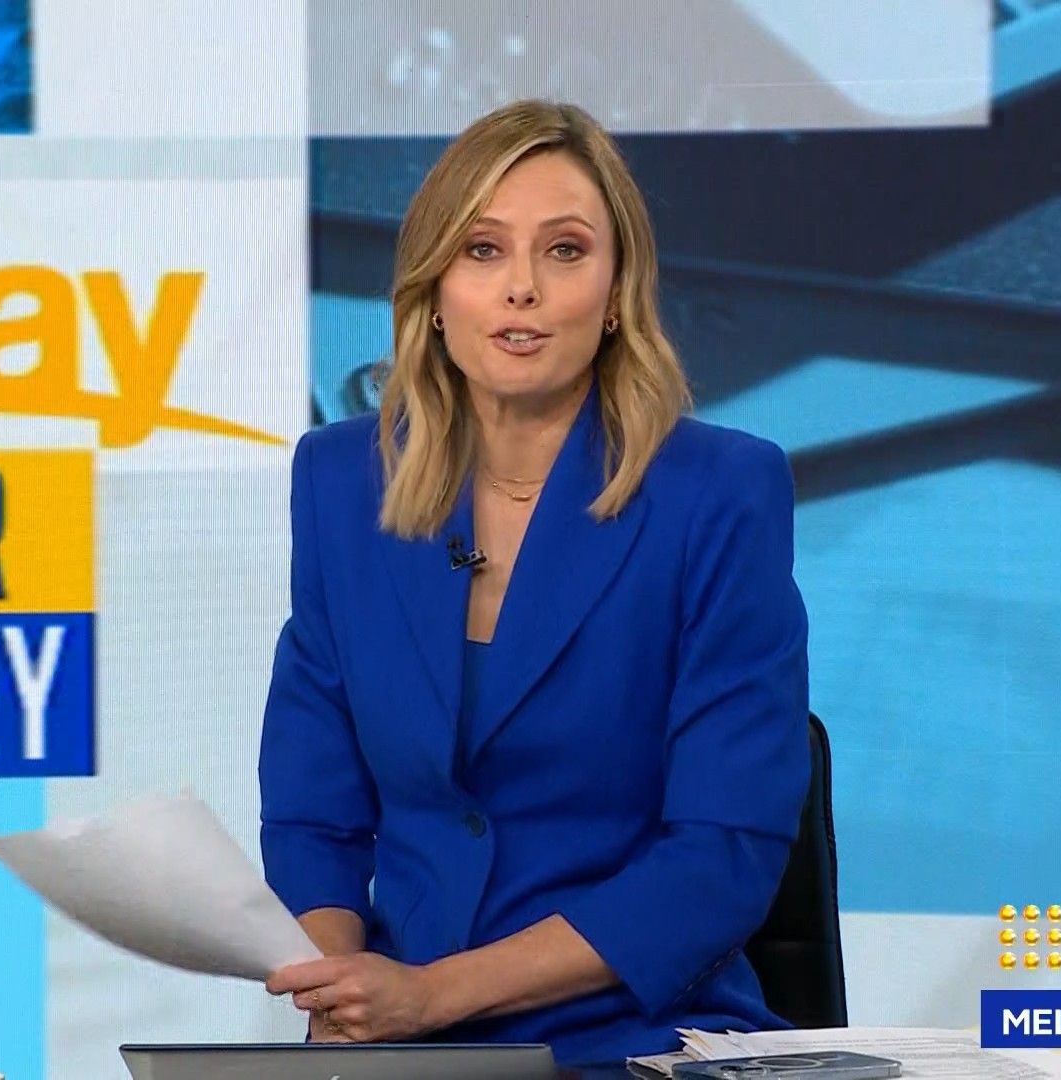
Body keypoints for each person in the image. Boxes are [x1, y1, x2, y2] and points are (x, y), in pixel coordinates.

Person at [259, 99, 810, 1068]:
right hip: (402, 1052)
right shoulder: (342, 482)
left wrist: (432, 997)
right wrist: (339, 999)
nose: (522, 287)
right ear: (434, 291)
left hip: (635, 1041)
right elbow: (315, 813)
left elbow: (720, 856)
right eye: (482, 251)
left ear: (616, 293)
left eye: (564, 251)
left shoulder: (719, 493)